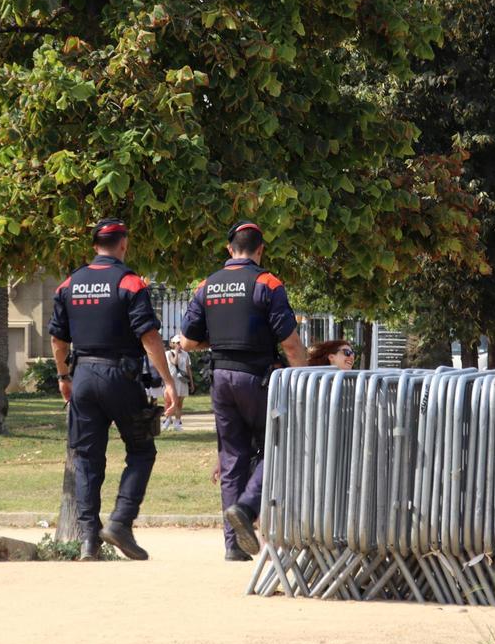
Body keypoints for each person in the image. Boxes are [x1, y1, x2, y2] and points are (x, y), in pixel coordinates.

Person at [48, 218, 178, 561]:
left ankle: (88, 540)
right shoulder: (130, 283)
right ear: (124, 244)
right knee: (141, 449)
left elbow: (58, 340)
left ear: (94, 247)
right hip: (121, 377)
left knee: (87, 459)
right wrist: (168, 382)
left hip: (84, 377)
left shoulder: (69, 284)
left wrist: (64, 377)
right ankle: (120, 522)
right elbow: (149, 336)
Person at [179, 220, 307, 561]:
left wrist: (217, 341)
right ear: (261, 249)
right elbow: (291, 344)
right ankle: (248, 507)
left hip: (220, 378)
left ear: (229, 248)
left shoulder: (207, 285)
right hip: (258, 378)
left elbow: (189, 341)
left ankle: (233, 546)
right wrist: (306, 379)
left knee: (232, 457)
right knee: (277, 445)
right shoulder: (267, 282)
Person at [161, 335, 193, 433]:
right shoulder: (168, 353)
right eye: (177, 343)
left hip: (182, 381)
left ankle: (177, 423)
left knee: (179, 403)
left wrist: (191, 383)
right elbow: (174, 362)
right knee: (169, 402)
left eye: (180, 343)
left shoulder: (186, 354)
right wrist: (177, 353)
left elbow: (188, 369)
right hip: (171, 380)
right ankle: (167, 420)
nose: (180, 345)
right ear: (173, 344)